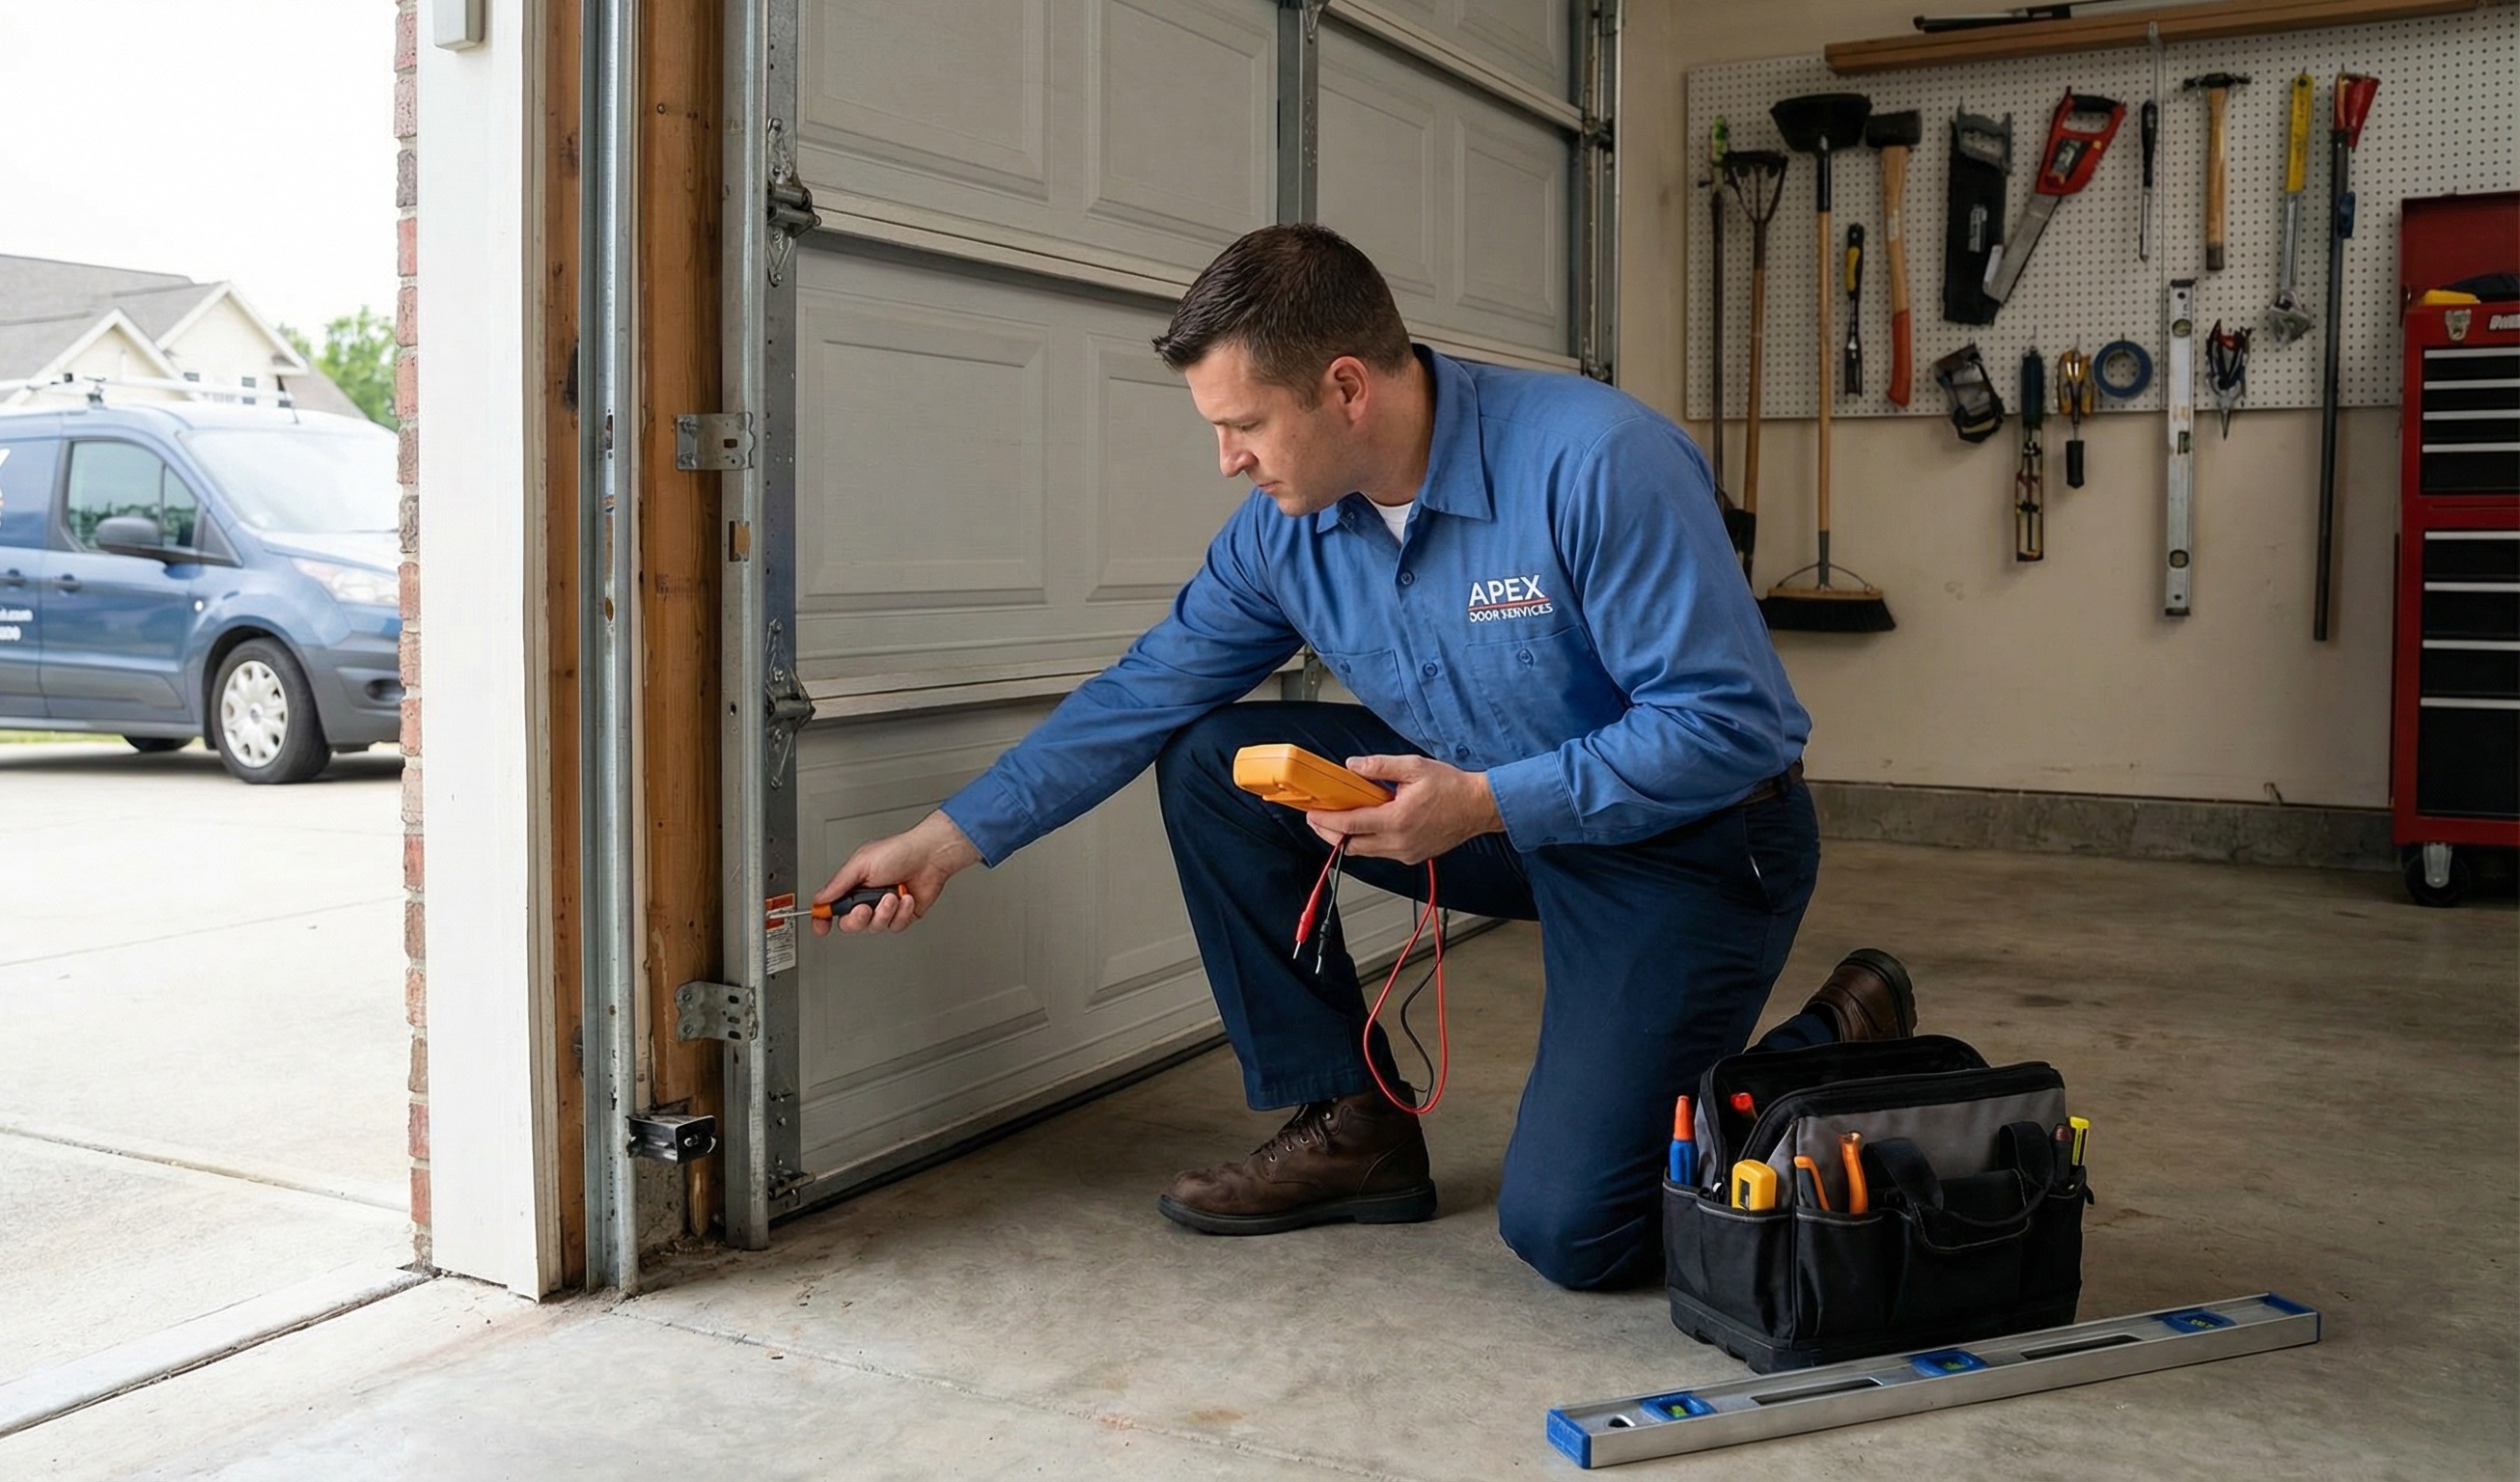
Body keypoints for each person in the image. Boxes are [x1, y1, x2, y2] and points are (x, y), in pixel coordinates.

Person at [808, 223, 1914, 1289]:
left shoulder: (1596, 461)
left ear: (1345, 388)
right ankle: (1352, 1125)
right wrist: (943, 843)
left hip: (1690, 843)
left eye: (1244, 424)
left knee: (1577, 1232)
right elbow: (1143, 693)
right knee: (1215, 760)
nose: (1226, 460)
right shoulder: (1282, 530)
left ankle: (1825, 1041)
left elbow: (1727, 727)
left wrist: (1482, 803)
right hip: (1493, 815)